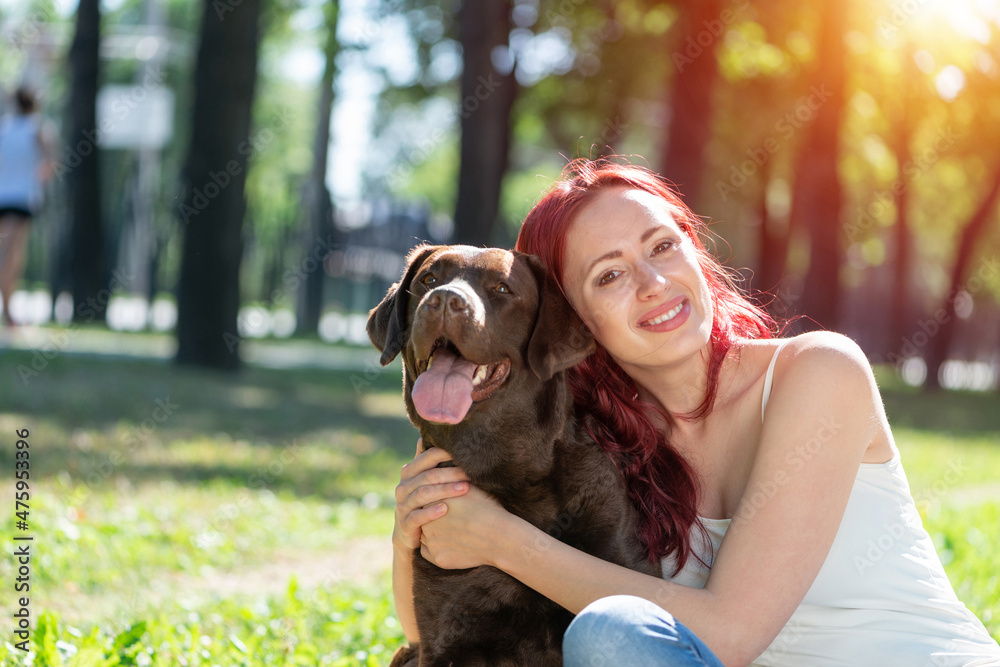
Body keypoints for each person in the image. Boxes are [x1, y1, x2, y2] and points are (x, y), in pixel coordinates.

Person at [391, 159, 1000, 666]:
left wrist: (502, 541)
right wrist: (412, 528)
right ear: (570, 324)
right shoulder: (604, 450)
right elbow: (429, 636)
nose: (653, 281)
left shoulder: (819, 372)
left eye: (662, 246)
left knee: (607, 637)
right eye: (610, 276)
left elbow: (729, 634)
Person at [0, 85, 51, 327]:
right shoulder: (36, 129)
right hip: (22, 198)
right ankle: (8, 311)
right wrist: (36, 178)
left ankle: (8, 310)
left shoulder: (4, 128)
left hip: (2, 195)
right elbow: (51, 162)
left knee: (7, 250)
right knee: (12, 254)